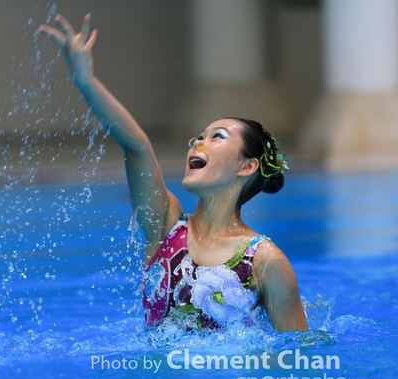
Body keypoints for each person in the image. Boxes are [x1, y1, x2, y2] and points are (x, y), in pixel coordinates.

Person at [38, 14, 308, 332]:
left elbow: (296, 354)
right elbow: (137, 147)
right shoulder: (166, 227)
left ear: (246, 166)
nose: (197, 144)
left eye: (217, 136)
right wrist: (85, 80)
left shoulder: (266, 261)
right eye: (199, 137)